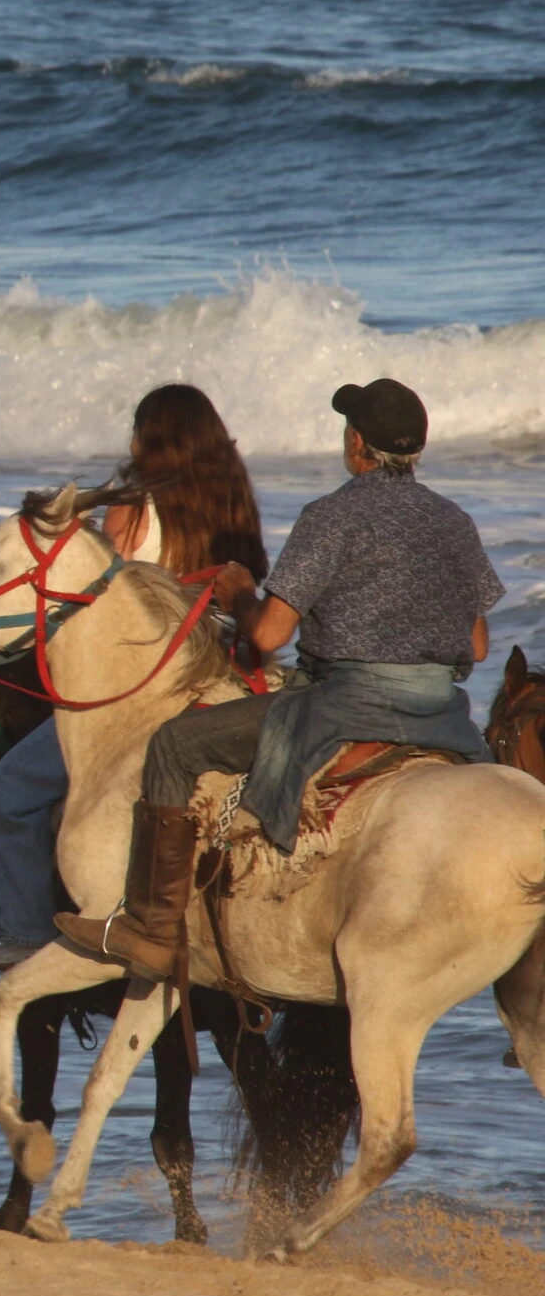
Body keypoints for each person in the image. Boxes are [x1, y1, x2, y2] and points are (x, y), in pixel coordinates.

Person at [56, 377, 503, 981]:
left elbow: (268, 636)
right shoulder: (454, 521)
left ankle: (152, 929)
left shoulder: (332, 515)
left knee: (174, 744)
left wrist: (240, 595)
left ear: (355, 444)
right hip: (443, 712)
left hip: (345, 705)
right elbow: (476, 643)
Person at [0, 384, 272, 970]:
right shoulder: (234, 500)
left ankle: (24, 937)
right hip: (221, 679)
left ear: (149, 439)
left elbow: (102, 600)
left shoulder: (132, 507)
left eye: (136, 431)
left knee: (12, 786)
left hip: (151, 681)